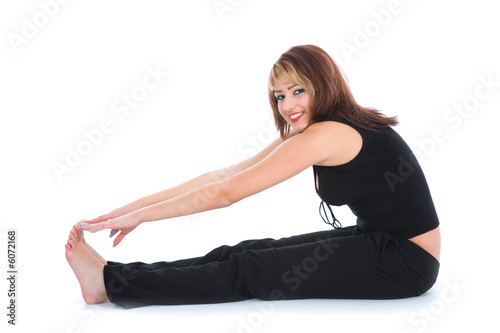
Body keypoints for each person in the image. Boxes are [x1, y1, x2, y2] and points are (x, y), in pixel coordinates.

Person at [65, 44, 440, 306]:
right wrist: (129, 210)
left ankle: (107, 286)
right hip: (378, 241)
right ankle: (113, 277)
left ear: (323, 86)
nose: (288, 105)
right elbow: (227, 173)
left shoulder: (327, 134)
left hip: (405, 263)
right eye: (279, 96)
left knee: (249, 269)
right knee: (244, 252)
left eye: (298, 91)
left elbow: (225, 194)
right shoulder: (317, 129)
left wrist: (141, 218)